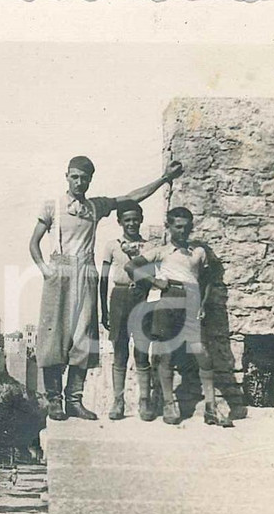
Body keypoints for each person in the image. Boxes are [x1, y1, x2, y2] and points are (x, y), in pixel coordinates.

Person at [30, 156, 183, 421]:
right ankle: (55, 402)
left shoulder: (95, 206)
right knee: (54, 337)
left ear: (90, 179)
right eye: (75, 176)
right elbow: (34, 242)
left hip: (86, 274)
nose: (79, 182)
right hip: (59, 274)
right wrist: (45, 268)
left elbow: (131, 197)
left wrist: (164, 179)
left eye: (84, 178)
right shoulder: (52, 206)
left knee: (82, 337)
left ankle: (74, 400)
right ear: (66, 176)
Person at [125, 206, 233, 428]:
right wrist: (155, 282)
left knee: (202, 353)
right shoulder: (161, 251)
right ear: (169, 227)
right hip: (168, 300)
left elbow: (209, 279)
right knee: (166, 354)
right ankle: (169, 403)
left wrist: (203, 304)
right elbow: (131, 266)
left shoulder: (199, 252)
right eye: (178, 227)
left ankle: (211, 407)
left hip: (191, 301)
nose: (183, 231)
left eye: (187, 227)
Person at [100, 201, 155, 421]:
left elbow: (153, 276)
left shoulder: (149, 247)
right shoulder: (111, 245)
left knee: (142, 350)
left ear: (141, 220)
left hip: (141, 296)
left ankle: (145, 401)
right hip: (119, 297)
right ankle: (118, 401)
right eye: (127, 220)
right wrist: (104, 310)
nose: (131, 223)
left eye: (135, 219)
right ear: (120, 222)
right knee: (120, 349)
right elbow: (103, 279)